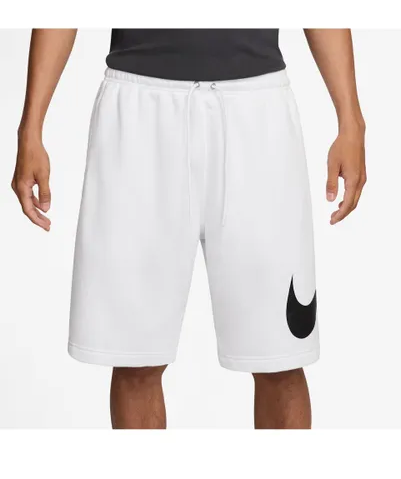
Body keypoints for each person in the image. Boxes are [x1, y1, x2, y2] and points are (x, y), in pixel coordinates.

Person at [12, 29, 366, 429]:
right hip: (138, 106)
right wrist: (31, 128)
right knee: (135, 360)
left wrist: (351, 120)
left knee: (280, 358)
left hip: (256, 109)